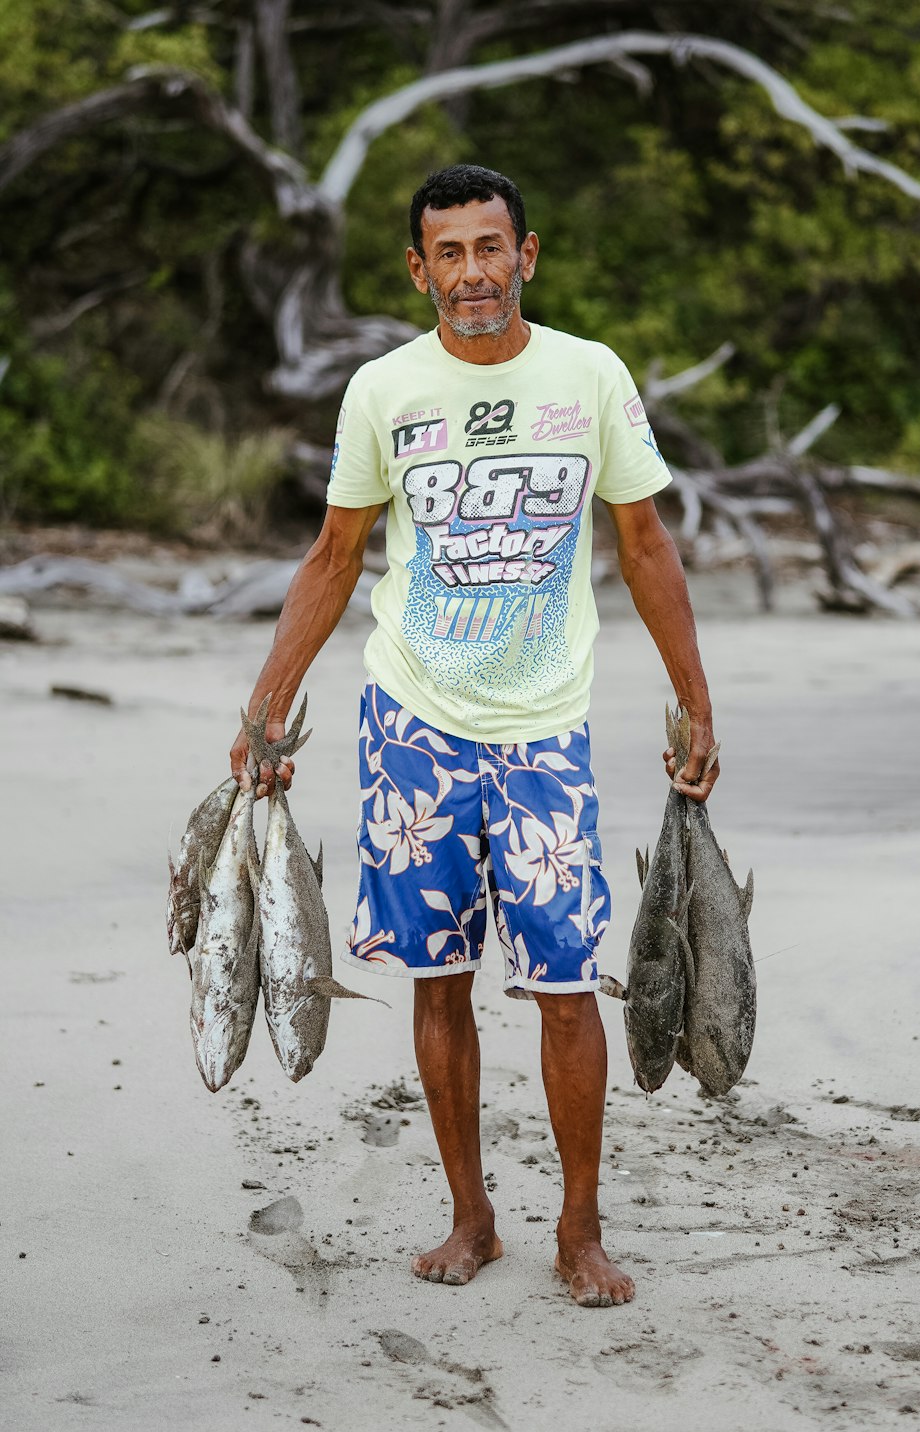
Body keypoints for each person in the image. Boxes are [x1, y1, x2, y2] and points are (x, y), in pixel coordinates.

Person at [230, 163, 718, 1309]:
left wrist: (694, 696)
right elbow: (333, 556)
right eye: (446, 254)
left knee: (564, 984)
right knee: (437, 980)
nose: (471, 275)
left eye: (488, 249)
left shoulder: (589, 376)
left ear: (526, 255)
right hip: (413, 725)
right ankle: (471, 1217)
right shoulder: (382, 391)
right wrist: (265, 712)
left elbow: (643, 541)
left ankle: (580, 1231)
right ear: (418, 270)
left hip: (544, 728)